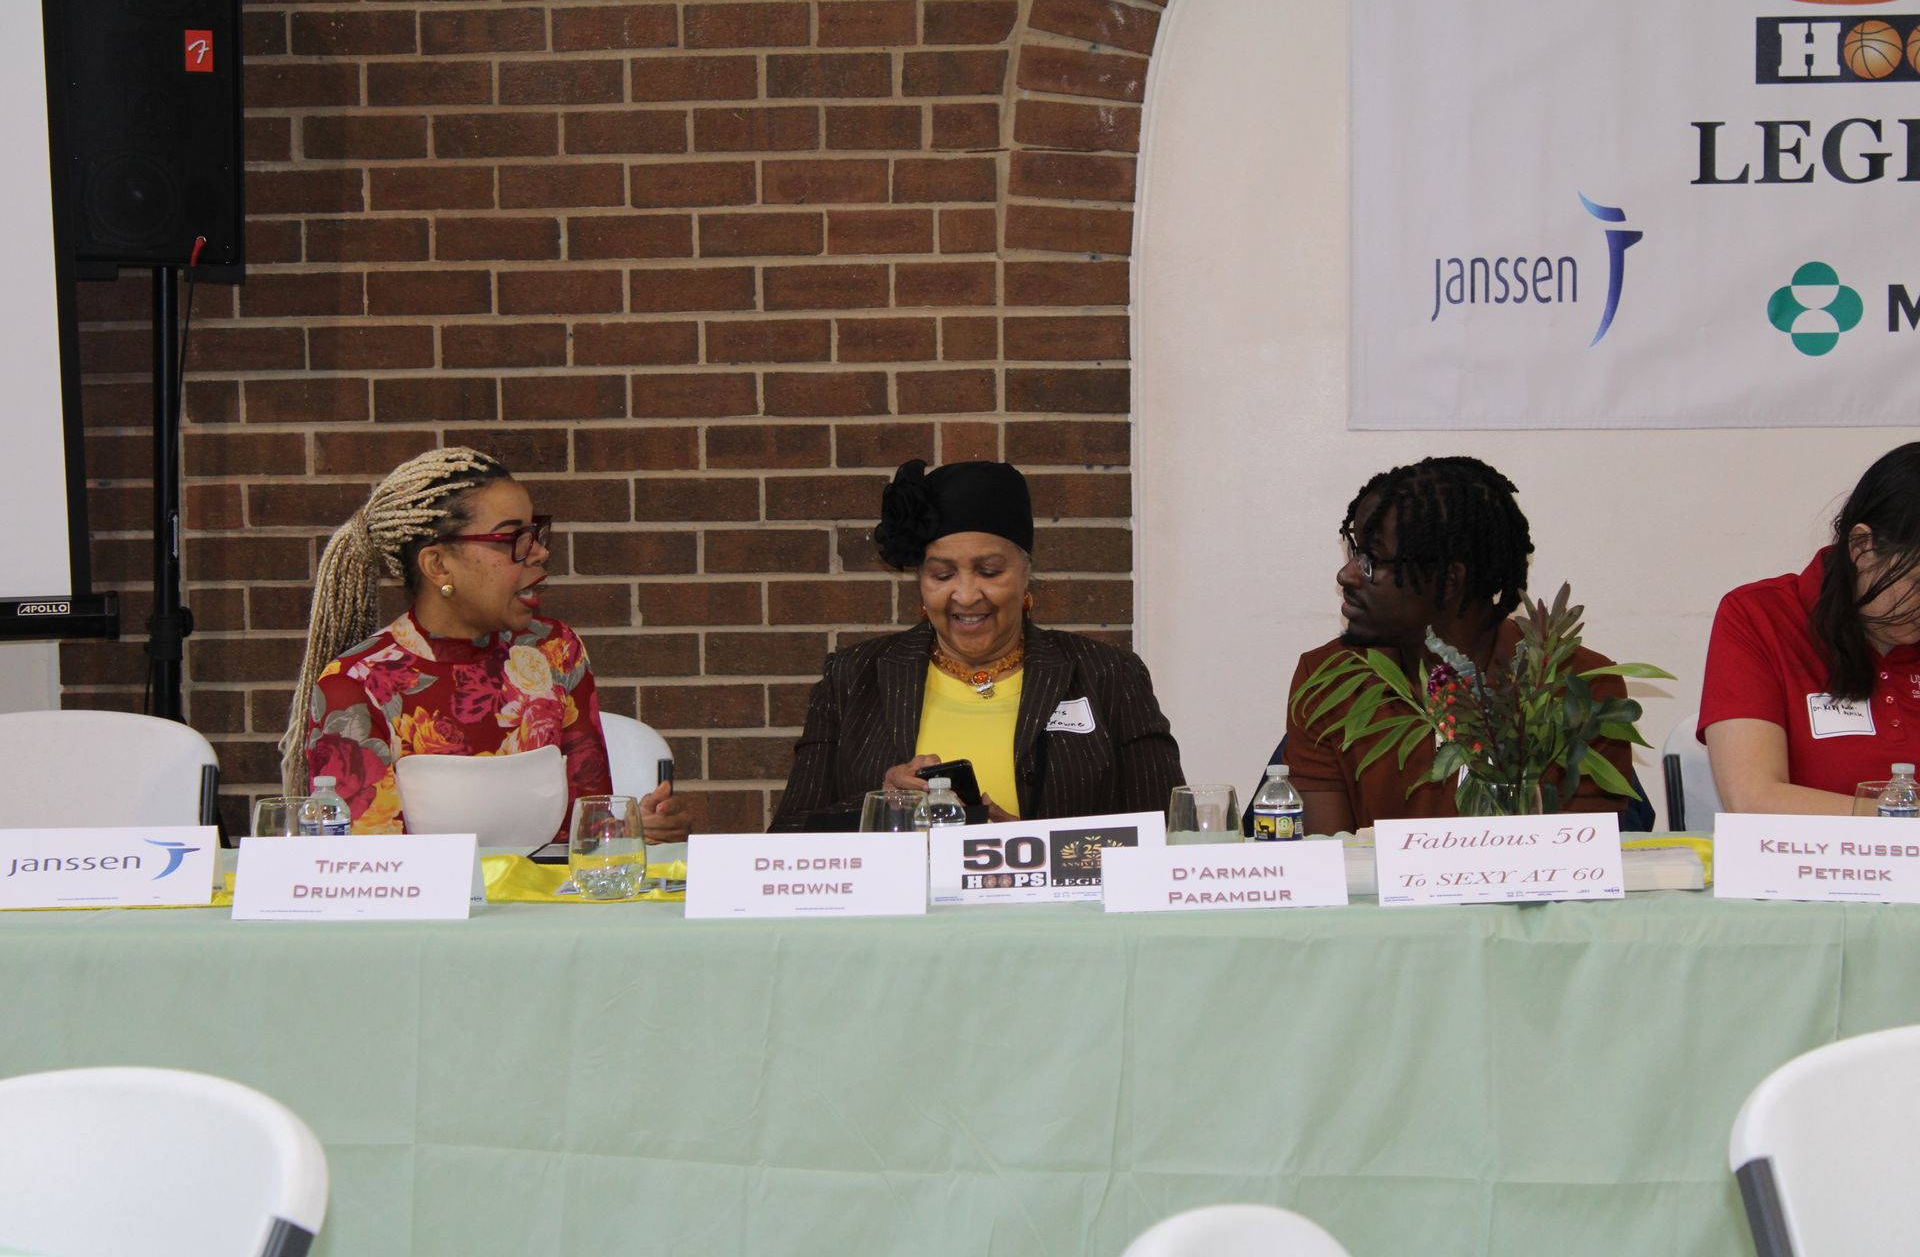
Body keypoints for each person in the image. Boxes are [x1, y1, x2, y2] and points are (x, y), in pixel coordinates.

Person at [279, 446, 687, 842]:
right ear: (438, 565)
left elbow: (586, 833)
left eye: (536, 532)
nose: (540, 552)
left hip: (552, 908)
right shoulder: (356, 684)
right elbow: (373, 871)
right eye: (513, 538)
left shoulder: (553, 651)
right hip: (426, 911)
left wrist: (637, 831)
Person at [772, 459, 1185, 829]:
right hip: (902, 913)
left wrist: (1028, 847)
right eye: (942, 575)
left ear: (1026, 573)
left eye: (989, 571)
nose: (966, 595)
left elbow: (1168, 833)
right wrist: (882, 807)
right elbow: (786, 838)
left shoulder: (1107, 674)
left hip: (1059, 914)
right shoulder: (852, 676)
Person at [1278, 455, 1638, 834]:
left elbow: (1578, 862)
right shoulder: (1329, 679)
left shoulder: (1577, 685)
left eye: (1370, 561)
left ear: (1449, 579)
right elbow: (1332, 862)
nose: (1346, 574)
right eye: (1355, 552)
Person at [1700, 443, 1920, 814]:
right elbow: (1754, 799)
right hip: (1810, 866)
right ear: (1862, 547)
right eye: (1917, 582)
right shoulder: (1759, 617)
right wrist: (1901, 817)